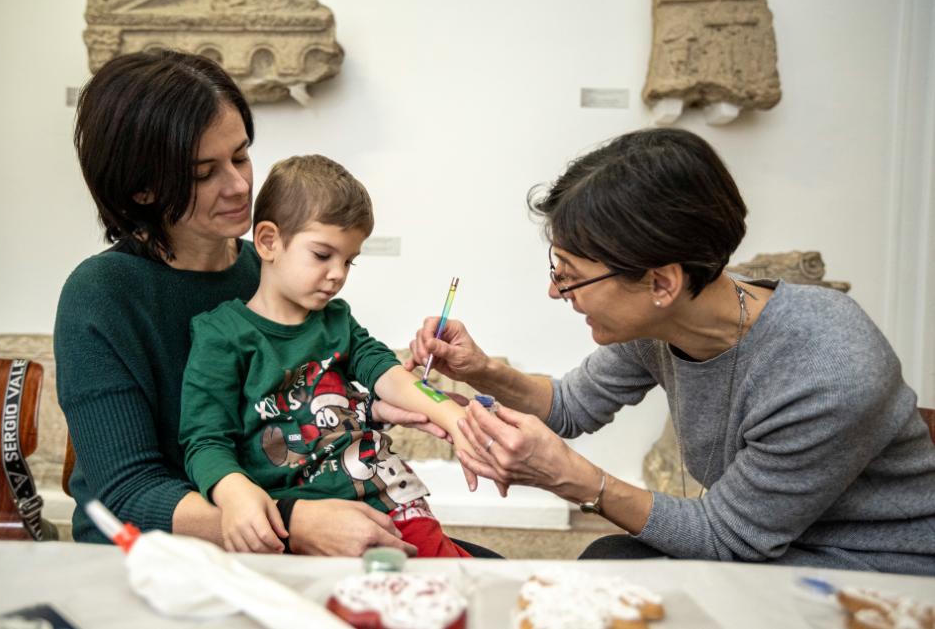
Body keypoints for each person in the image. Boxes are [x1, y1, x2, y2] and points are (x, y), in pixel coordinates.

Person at [405, 128, 935, 575]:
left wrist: (571, 476)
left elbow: (728, 538)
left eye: (570, 276)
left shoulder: (829, 372)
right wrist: (481, 370)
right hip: (767, 544)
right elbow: (570, 405)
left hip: (869, 568)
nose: (555, 291)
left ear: (661, 282)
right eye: (556, 268)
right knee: (604, 564)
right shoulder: (662, 320)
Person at [55, 49, 496, 558]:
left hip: (291, 527)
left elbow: (297, 406)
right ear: (142, 189)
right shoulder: (101, 296)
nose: (239, 185)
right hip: (163, 555)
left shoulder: (272, 271)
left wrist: (387, 407)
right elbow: (129, 493)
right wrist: (292, 522)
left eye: (241, 155)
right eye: (204, 173)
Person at [178, 155, 475, 557]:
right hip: (304, 525)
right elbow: (204, 440)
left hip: (386, 500)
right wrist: (234, 493)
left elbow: (388, 373)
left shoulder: (337, 320)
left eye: (349, 261)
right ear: (268, 241)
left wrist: (454, 419)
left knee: (449, 584)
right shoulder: (221, 335)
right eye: (322, 255)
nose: (338, 274)